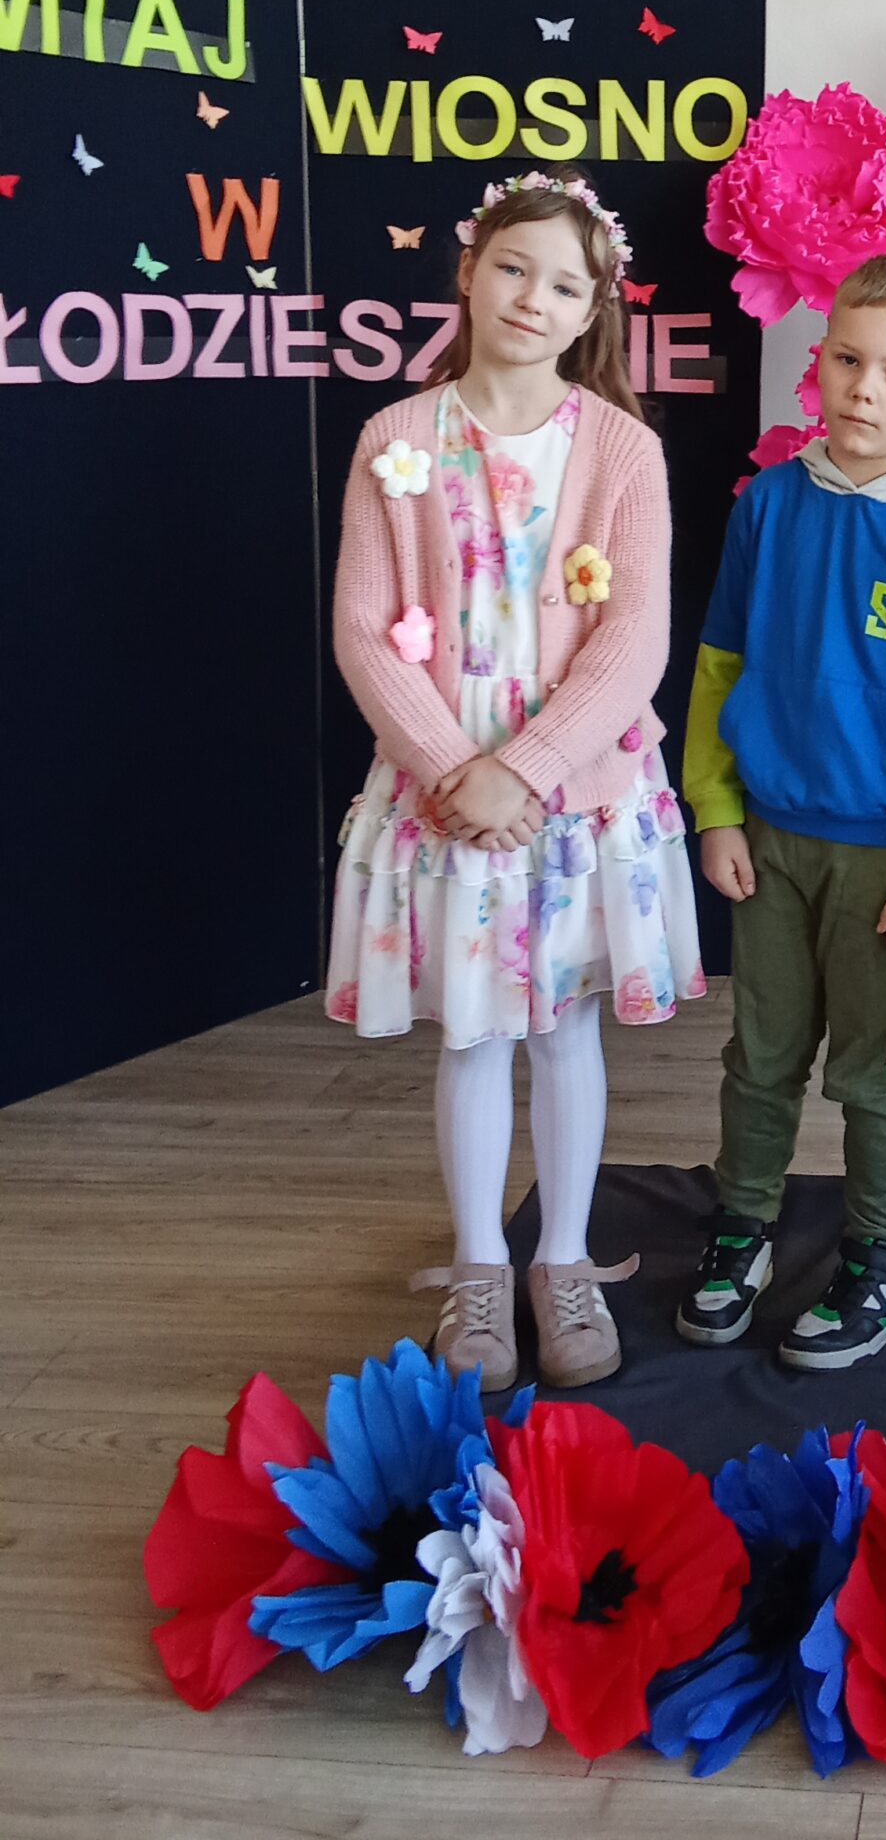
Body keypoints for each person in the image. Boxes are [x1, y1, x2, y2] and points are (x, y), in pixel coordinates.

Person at [325, 174, 704, 1394]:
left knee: (565, 1027)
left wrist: (530, 767)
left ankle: (565, 1258)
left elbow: (634, 637)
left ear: (594, 309)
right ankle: (481, 1266)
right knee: (477, 1033)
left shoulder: (623, 450)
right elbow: (366, 628)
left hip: (575, 794)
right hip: (446, 793)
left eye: (565, 285)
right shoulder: (396, 437)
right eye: (513, 268)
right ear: (469, 270)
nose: (534, 298)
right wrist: (455, 768)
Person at [677, 256, 886, 1368]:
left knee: (870, 1069)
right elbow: (718, 665)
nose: (864, 388)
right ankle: (743, 1227)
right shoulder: (769, 504)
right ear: (821, 359)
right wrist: (715, 806)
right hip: (766, 839)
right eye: (849, 359)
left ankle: (882, 1260)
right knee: (759, 1053)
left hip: (883, 858)